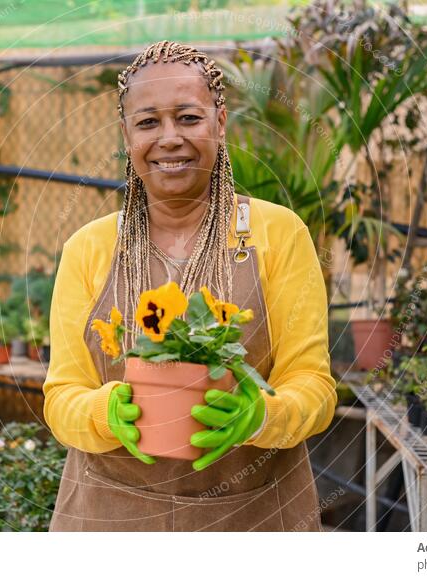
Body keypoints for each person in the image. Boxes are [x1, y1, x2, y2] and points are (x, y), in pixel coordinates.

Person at [43, 40, 337, 532]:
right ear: (127, 135)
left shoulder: (277, 234)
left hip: (254, 516)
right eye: (148, 122)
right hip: (109, 520)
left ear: (220, 123)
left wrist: (260, 415)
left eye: (188, 117)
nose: (169, 137)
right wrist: (102, 413)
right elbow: (61, 396)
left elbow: (314, 385)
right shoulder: (89, 248)